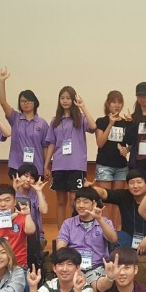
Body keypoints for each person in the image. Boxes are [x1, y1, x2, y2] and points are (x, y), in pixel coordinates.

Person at [44, 86, 97, 224]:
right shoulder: (55, 121)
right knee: (61, 201)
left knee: (75, 200)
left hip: (76, 165)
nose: (65, 101)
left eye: (68, 98)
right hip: (59, 165)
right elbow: (51, 143)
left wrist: (83, 106)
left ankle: (76, 231)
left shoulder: (80, 118)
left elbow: (93, 126)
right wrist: (46, 165)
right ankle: (62, 232)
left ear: (73, 99)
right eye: (62, 98)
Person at [90, 170, 146, 257]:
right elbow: (103, 193)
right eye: (131, 183)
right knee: (115, 240)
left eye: (139, 182)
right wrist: (91, 188)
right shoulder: (124, 195)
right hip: (128, 237)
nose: (135, 186)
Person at [56, 187, 118, 283]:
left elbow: (113, 239)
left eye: (85, 202)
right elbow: (60, 248)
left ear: (94, 203)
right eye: (78, 201)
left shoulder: (105, 222)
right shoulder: (68, 223)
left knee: (96, 284)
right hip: (74, 267)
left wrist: (100, 220)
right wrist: (72, 265)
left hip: (97, 266)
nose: (81, 205)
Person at [0, 68, 50, 179]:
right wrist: (2, 81)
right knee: (17, 191)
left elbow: (45, 147)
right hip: (17, 166)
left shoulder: (42, 123)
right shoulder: (15, 118)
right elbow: (3, 102)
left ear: (35, 103)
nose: (26, 103)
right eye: (22, 101)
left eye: (28, 101)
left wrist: (46, 166)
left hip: (36, 167)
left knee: (35, 191)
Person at [0, 184, 37, 268]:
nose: (3, 204)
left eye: (7, 200)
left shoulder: (22, 216)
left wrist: (28, 215)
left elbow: (30, 231)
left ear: (14, 202)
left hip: (19, 265)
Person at [94, 90, 130, 204]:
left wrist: (127, 149)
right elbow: (100, 143)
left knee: (118, 201)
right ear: (108, 104)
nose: (117, 105)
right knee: (105, 201)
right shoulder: (101, 121)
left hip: (121, 166)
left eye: (119, 102)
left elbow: (133, 143)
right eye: (114, 102)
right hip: (104, 165)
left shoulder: (126, 122)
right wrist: (110, 124)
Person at [12, 163, 49, 244]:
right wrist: (14, 189)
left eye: (32, 178)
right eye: (26, 176)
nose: (28, 180)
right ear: (18, 176)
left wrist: (39, 191)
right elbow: (7, 210)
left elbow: (44, 211)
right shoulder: (11, 193)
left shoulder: (35, 194)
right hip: (14, 234)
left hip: (35, 235)